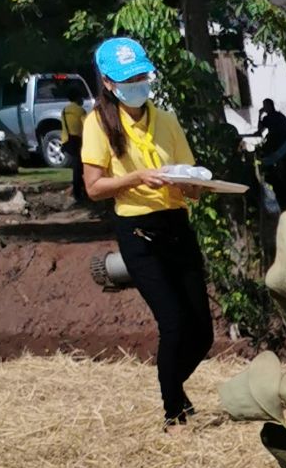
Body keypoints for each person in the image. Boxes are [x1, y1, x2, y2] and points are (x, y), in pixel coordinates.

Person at [80, 36, 214, 433]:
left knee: (202, 332)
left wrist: (195, 185)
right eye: (128, 80)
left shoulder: (167, 120)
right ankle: (173, 412)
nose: (137, 85)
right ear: (108, 83)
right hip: (138, 231)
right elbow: (94, 187)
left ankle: (174, 387)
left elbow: (190, 179)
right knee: (173, 322)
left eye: (141, 76)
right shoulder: (98, 124)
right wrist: (137, 177)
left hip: (176, 224)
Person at [60, 90, 88, 207]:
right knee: (78, 168)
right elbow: (86, 126)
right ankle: (79, 193)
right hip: (77, 141)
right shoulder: (80, 110)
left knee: (76, 167)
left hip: (67, 141)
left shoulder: (64, 110)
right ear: (77, 98)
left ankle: (79, 191)